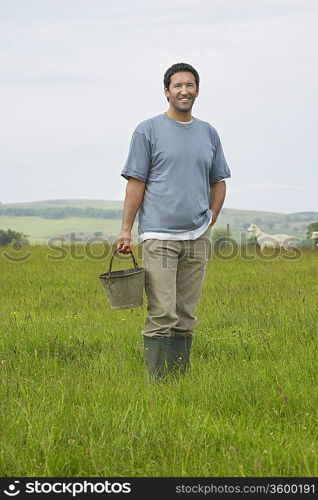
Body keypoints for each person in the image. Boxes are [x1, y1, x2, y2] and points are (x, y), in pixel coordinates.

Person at [117, 62, 231, 380]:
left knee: (185, 314)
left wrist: (212, 216)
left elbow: (219, 180)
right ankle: (158, 386)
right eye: (177, 85)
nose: (184, 90)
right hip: (158, 235)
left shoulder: (208, 133)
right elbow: (135, 182)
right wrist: (126, 230)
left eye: (190, 85)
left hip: (196, 236)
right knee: (162, 312)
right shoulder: (148, 130)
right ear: (166, 91)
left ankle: (178, 385)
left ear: (197, 90)